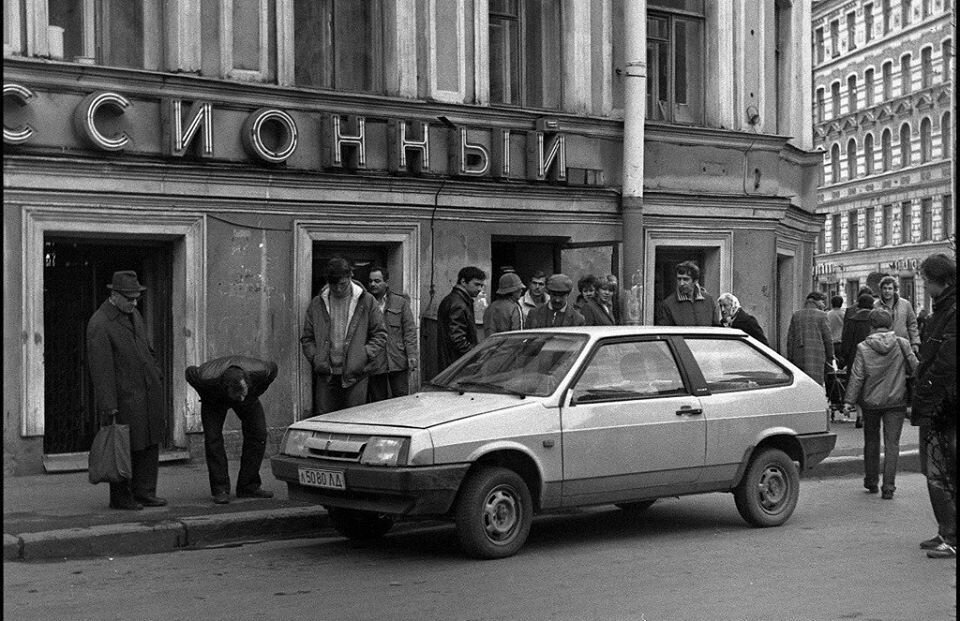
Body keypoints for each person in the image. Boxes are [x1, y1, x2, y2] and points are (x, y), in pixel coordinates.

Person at [86, 271, 166, 511]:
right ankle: (121, 497)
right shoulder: (99, 323)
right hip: (124, 398)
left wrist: (156, 371)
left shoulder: (134, 314)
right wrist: (109, 405)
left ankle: (145, 492)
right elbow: (101, 370)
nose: (134, 302)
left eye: (136, 298)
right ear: (114, 296)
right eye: (129, 298)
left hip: (148, 392)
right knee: (124, 446)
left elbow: (146, 348)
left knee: (149, 444)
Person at [842, 309, 918, 500]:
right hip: (896, 400)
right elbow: (916, 368)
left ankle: (871, 481)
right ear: (890, 324)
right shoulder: (902, 344)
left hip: (871, 402)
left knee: (872, 441)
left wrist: (849, 401)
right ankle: (889, 487)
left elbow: (857, 376)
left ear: (872, 326)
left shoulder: (863, 348)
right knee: (892, 444)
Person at [911, 253, 956, 559]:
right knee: (937, 470)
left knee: (940, 472)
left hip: (944, 403)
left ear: (943, 281)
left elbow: (947, 360)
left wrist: (925, 388)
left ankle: (951, 537)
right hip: (940, 401)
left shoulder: (951, 310)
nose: (924, 285)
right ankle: (945, 531)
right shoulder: (943, 308)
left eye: (927, 280)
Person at [185, 356, 278, 504]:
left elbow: (273, 369)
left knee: (258, 433)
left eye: (242, 393)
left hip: (250, 395)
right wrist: (206, 395)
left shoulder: (261, 371)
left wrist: (253, 393)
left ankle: (248, 486)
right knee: (213, 439)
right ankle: (220, 489)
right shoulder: (206, 377)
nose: (240, 399)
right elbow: (189, 372)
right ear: (227, 389)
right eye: (237, 395)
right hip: (214, 397)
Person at [301, 257, 387, 414]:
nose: (339, 289)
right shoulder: (317, 303)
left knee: (354, 420)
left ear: (350, 277)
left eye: (342, 284)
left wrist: (364, 354)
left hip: (356, 374)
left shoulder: (367, 301)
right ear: (328, 282)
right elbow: (307, 338)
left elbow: (380, 334)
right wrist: (316, 358)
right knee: (325, 420)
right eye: (334, 286)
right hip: (326, 374)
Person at [366, 266, 418, 402]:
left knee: (401, 400)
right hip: (374, 361)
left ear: (386, 282)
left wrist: (412, 355)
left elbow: (409, 331)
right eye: (370, 281)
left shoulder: (400, 302)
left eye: (377, 281)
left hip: (398, 359)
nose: (373, 284)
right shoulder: (365, 303)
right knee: (377, 402)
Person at [437, 266, 486, 370]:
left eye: (481, 285)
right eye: (476, 284)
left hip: (453, 362)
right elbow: (458, 339)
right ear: (463, 281)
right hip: (457, 364)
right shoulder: (458, 304)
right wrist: (475, 355)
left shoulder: (456, 300)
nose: (479, 289)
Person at [785, 291, 835, 386]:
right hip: (817, 356)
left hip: (798, 356)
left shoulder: (796, 315)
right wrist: (830, 356)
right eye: (822, 301)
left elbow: (790, 338)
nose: (824, 304)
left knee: (801, 383)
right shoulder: (822, 315)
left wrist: (790, 357)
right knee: (815, 384)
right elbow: (828, 339)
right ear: (815, 301)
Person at [655, 261, 718, 326]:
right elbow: (665, 332)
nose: (681, 283)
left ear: (695, 281)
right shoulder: (668, 304)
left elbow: (716, 328)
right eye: (679, 279)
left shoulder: (708, 300)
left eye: (686, 279)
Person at [874, 275, 921, 355]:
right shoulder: (876, 306)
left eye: (890, 288)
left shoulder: (905, 304)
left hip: (903, 346)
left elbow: (912, 324)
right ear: (881, 290)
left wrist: (915, 342)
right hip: (883, 348)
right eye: (884, 288)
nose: (887, 291)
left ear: (895, 290)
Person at [827, 295, 845, 366]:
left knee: (832, 362)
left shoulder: (828, 314)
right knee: (841, 361)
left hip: (831, 342)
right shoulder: (844, 314)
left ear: (832, 303)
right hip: (841, 342)